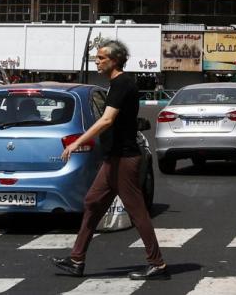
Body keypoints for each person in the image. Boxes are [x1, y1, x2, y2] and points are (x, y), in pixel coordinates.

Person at [52, 39, 169, 281]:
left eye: (101, 58)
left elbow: (106, 120)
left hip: (124, 159)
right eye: (97, 57)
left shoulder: (122, 83)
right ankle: (76, 260)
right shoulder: (116, 83)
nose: (97, 61)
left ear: (114, 60)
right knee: (93, 202)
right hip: (113, 158)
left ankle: (157, 264)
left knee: (137, 211)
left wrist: (77, 142)